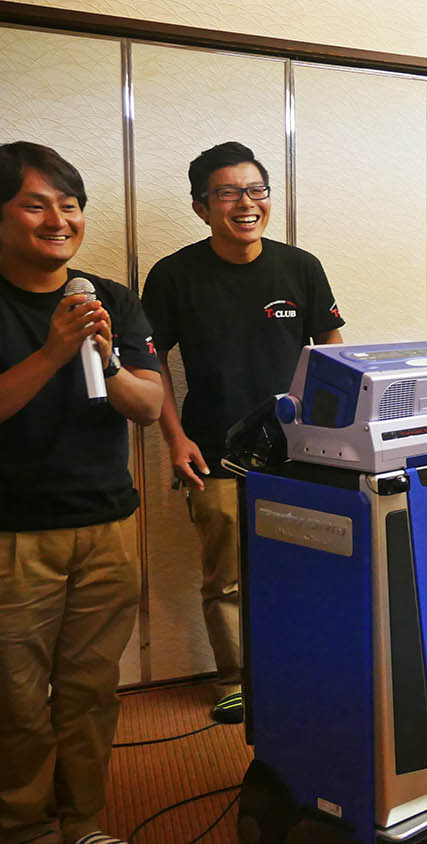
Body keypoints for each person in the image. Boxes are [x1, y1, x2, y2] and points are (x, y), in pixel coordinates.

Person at [141, 141, 344, 725]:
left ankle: (297, 667)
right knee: (226, 575)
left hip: (299, 451)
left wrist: (337, 436)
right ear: (202, 207)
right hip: (213, 448)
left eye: (256, 190)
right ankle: (234, 679)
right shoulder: (174, 275)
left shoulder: (300, 267)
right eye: (228, 193)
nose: (246, 203)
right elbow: (151, 362)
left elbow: (332, 351)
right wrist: (174, 440)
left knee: (305, 565)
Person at [0, 142, 163, 844]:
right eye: (35, 205)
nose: (57, 220)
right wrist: (53, 352)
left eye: (69, 206)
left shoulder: (109, 299)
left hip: (107, 526)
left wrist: (107, 359)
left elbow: (148, 406)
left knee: (91, 691)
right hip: (14, 534)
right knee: (15, 700)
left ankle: (82, 823)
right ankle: (25, 828)